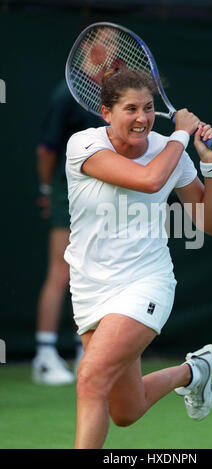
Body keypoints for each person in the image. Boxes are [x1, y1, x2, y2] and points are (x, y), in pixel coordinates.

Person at [64, 68, 212, 448]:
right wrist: (182, 134)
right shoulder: (83, 146)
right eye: (130, 109)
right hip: (90, 289)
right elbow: (149, 180)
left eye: (149, 108)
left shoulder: (170, 152)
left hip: (144, 282)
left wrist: (211, 165)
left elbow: (210, 223)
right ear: (106, 113)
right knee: (125, 410)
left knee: (89, 378)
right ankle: (194, 371)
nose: (142, 118)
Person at [32, 79, 104, 385]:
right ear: (90, 46)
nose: (113, 52)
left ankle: (85, 355)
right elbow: (47, 149)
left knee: (90, 272)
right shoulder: (67, 94)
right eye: (107, 43)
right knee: (61, 271)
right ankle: (45, 357)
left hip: (100, 189)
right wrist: (48, 189)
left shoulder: (110, 93)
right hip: (67, 190)